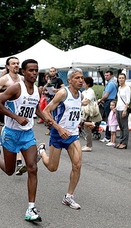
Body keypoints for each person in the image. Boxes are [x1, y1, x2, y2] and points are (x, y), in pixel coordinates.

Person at [0, 59, 45, 222]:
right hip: (11, 133)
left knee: (32, 168)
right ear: (23, 72)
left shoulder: (36, 90)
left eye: (36, 70)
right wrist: (16, 117)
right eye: (31, 70)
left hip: (27, 134)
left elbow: (36, 109)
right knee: (9, 171)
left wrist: (48, 120)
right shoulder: (16, 88)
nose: (34, 73)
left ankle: (31, 208)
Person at [38, 68, 88, 210]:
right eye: (77, 78)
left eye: (82, 78)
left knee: (77, 165)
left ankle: (69, 196)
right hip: (58, 134)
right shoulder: (62, 93)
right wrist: (59, 128)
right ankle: (41, 152)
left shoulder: (80, 95)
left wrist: (83, 123)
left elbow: (74, 115)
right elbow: (46, 111)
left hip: (72, 135)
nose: (80, 80)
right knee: (53, 168)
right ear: (70, 80)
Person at [0, 56, 26, 176]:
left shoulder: (22, 79)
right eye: (13, 63)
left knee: (19, 136)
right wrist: (7, 94)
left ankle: (19, 162)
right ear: (8, 66)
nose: (16, 65)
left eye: (17, 63)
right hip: (4, 112)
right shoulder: (4, 79)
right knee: (0, 138)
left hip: (18, 113)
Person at [98, 71, 118, 143]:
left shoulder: (111, 84)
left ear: (111, 75)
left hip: (109, 101)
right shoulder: (111, 83)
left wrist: (100, 100)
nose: (106, 77)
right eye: (105, 75)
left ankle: (108, 136)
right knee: (109, 119)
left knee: (109, 119)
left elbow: (106, 95)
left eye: (107, 75)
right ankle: (109, 135)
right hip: (109, 101)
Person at [81, 76, 97, 152]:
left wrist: (79, 103)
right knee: (86, 128)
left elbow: (86, 101)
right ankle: (87, 144)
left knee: (88, 128)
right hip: (85, 112)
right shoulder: (84, 92)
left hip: (89, 112)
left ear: (88, 84)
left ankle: (89, 145)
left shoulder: (91, 91)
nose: (82, 83)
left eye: (84, 82)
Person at [115, 73, 131, 149]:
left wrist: (125, 110)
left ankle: (124, 143)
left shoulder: (127, 88)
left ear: (125, 79)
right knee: (120, 126)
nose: (121, 79)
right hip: (118, 108)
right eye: (119, 78)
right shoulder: (119, 88)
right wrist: (116, 107)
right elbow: (118, 99)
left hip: (123, 109)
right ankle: (121, 141)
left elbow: (128, 100)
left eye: (122, 78)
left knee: (124, 126)